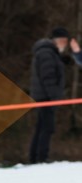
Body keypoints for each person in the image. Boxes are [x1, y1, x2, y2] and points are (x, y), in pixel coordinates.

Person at [29, 28, 69, 164]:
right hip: (46, 97)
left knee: (41, 126)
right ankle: (41, 157)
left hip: (44, 96)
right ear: (56, 40)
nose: (65, 44)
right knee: (47, 127)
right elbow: (48, 77)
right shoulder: (47, 53)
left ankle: (35, 157)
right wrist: (54, 97)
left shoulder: (50, 53)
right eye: (63, 41)